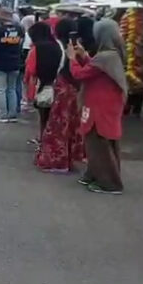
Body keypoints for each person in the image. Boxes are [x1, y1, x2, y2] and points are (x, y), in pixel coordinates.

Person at [69, 19, 127, 194]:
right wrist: (83, 55)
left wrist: (72, 58)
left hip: (100, 107)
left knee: (98, 143)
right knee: (102, 143)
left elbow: (80, 74)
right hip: (106, 105)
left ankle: (109, 182)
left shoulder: (105, 56)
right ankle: (96, 174)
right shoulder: (112, 54)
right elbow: (93, 68)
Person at [33, 18, 85, 171]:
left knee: (57, 128)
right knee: (70, 128)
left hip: (62, 90)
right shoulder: (78, 47)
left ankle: (57, 161)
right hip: (76, 91)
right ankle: (68, 159)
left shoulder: (58, 47)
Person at [25, 22, 61, 146]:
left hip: (40, 85)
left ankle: (42, 138)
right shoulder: (58, 46)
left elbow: (31, 69)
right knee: (54, 116)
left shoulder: (36, 48)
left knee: (42, 116)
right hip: (57, 85)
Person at [0, 8, 24, 122]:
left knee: (1, 89)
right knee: (12, 89)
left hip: (0, 61)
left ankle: (3, 114)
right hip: (15, 61)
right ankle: (12, 114)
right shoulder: (19, 29)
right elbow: (21, 42)